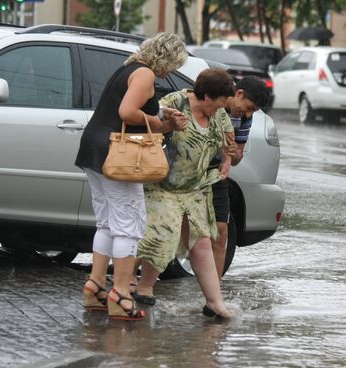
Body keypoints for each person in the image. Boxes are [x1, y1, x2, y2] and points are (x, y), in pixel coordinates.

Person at [75, 32, 188, 320]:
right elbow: (128, 112)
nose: (171, 72)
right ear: (166, 58)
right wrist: (158, 121)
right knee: (129, 225)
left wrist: (164, 118)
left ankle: (96, 286)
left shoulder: (128, 68)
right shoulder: (145, 74)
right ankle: (122, 294)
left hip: (96, 150)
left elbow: (130, 109)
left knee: (107, 223)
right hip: (118, 155)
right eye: (174, 65)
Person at [134, 69, 236, 318]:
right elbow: (144, 125)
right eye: (221, 101)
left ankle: (214, 302)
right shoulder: (175, 102)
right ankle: (143, 285)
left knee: (201, 242)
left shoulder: (219, 114)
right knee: (162, 235)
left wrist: (227, 159)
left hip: (195, 188)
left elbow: (229, 144)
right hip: (163, 184)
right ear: (207, 96)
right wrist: (169, 124)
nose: (223, 108)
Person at [210, 77, 271, 279]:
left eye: (253, 111)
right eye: (249, 107)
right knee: (170, 228)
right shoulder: (212, 104)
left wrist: (233, 151)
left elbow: (237, 157)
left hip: (218, 176)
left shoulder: (244, 118)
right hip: (191, 175)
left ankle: (214, 294)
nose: (247, 114)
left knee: (221, 233)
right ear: (239, 93)